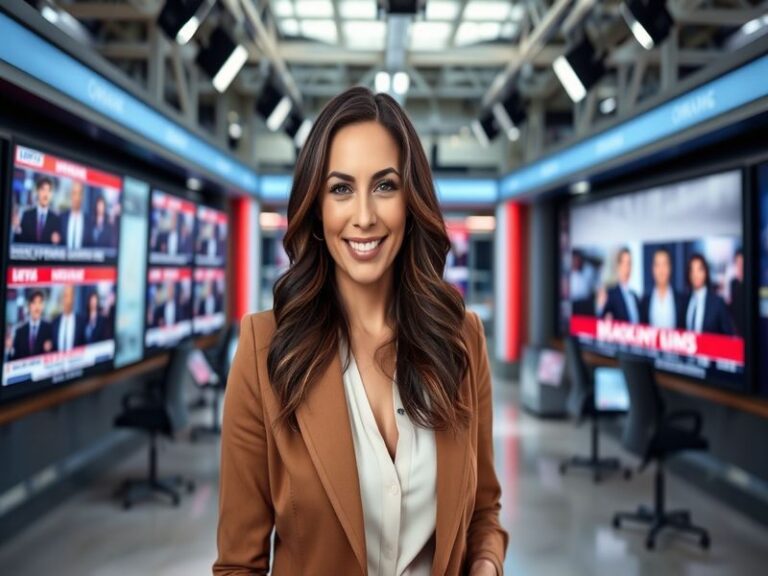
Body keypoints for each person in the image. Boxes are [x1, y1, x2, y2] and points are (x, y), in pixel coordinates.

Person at [214, 87, 508, 576]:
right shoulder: (265, 351)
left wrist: (485, 564)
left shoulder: (461, 339)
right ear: (317, 206)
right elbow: (237, 568)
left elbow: (483, 513)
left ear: (411, 201)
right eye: (341, 188)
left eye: (385, 186)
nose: (365, 216)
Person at [684, 253, 735, 335]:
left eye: (699, 269)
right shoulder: (685, 301)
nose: (695, 274)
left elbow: (729, 336)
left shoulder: (718, 303)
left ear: (706, 272)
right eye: (692, 270)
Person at [641, 248, 683, 329]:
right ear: (653, 269)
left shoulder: (681, 300)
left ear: (670, 268)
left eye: (665, 264)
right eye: (658, 265)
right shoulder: (645, 301)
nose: (661, 270)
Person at [14, 177, 62, 245]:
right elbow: (19, 242)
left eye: (49, 190)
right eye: (43, 189)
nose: (46, 194)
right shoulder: (27, 215)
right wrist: (17, 228)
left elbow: (58, 247)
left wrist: (56, 242)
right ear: (37, 191)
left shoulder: (56, 219)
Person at [599, 247, 640, 324]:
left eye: (629, 264)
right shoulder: (611, 294)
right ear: (618, 266)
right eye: (623, 263)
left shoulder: (635, 296)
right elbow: (602, 320)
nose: (627, 268)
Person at [10, 291, 55, 360]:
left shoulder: (49, 328)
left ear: (43, 306)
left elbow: (55, 354)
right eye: (34, 303)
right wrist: (9, 349)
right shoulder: (19, 332)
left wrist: (50, 349)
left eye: (40, 303)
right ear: (29, 306)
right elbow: (14, 358)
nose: (37, 307)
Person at [53, 285, 86, 351]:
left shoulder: (81, 322)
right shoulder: (55, 322)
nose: (64, 299)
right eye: (63, 296)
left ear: (73, 298)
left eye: (67, 296)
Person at [60, 180, 87, 250]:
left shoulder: (88, 221)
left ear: (83, 196)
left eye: (79, 193)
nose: (77, 197)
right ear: (71, 195)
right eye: (74, 193)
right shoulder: (61, 218)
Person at [729, 249, 745, 336]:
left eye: (742, 264)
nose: (740, 267)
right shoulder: (733, 283)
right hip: (736, 330)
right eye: (738, 263)